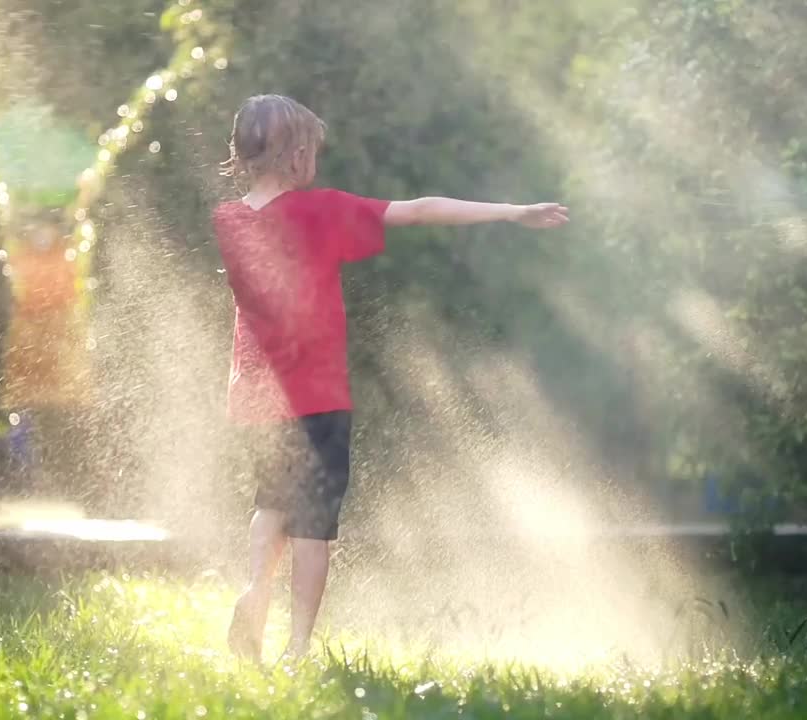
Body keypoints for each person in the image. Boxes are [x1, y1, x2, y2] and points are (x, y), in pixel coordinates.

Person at [213, 94, 568, 662]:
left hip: (255, 394)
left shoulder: (229, 219)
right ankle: (297, 647)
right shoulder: (319, 210)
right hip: (317, 394)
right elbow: (421, 208)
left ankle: (256, 590)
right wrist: (509, 211)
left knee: (271, 504)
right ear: (295, 153)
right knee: (312, 525)